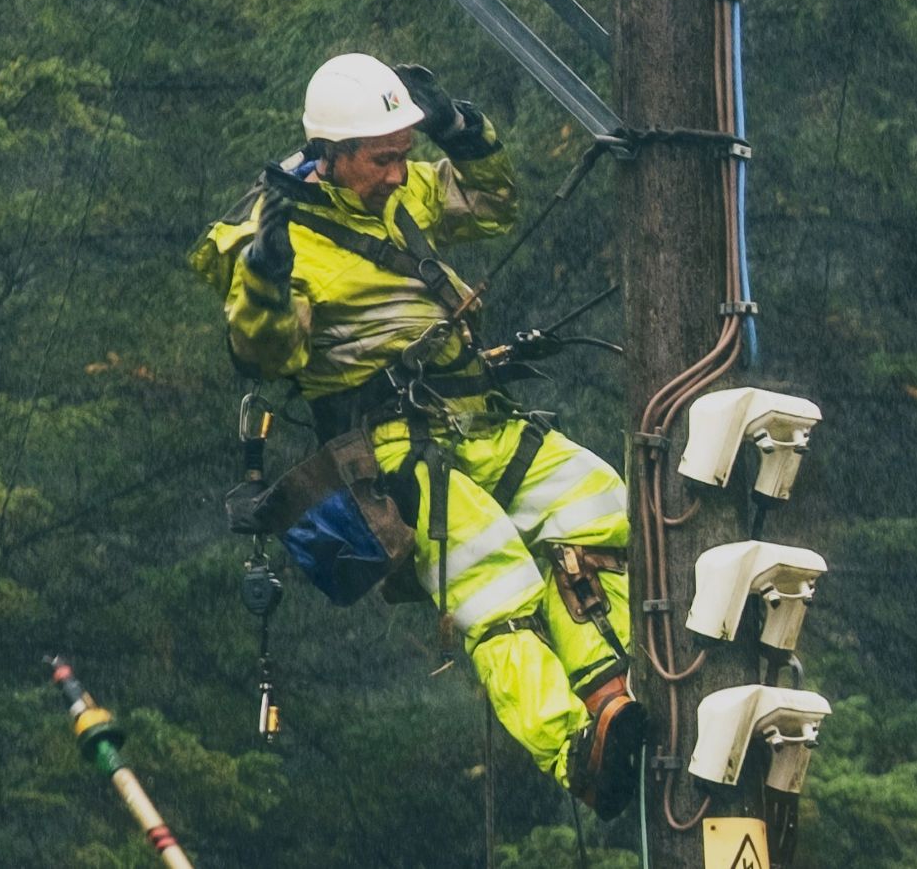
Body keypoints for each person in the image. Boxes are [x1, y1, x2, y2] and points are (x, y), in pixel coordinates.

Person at [190, 53, 648, 814]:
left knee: (597, 506)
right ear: (332, 155)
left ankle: (613, 694)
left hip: (478, 420)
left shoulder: (400, 193)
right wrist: (266, 279)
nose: (399, 173)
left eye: (406, 153)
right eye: (383, 159)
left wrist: (460, 129)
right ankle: (573, 748)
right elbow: (268, 355)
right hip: (395, 450)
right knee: (495, 578)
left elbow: (492, 203)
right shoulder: (278, 236)